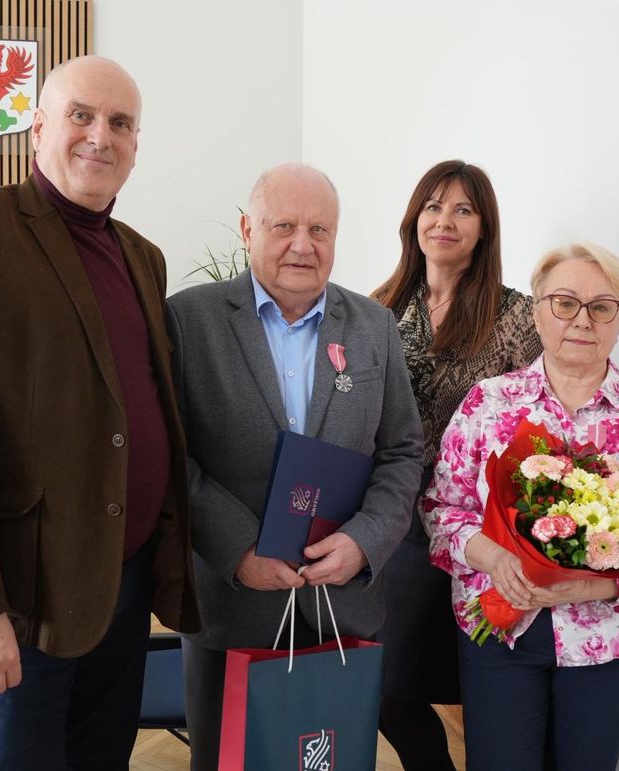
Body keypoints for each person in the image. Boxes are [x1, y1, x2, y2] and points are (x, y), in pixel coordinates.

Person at [0, 55, 198, 769]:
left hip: (121, 587)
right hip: (19, 605)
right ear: (37, 130)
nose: (101, 136)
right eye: (81, 115)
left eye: (120, 123)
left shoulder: (142, 257)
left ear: (136, 145)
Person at [166, 162, 425, 769]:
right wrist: (237, 551)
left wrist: (362, 543)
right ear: (246, 229)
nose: (303, 244)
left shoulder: (374, 326)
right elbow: (172, 458)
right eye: (284, 225)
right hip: (233, 608)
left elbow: (401, 452)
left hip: (344, 606)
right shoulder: (188, 318)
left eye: (321, 229)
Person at [422, 243, 619, 771]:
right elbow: (442, 509)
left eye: (602, 306)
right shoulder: (487, 404)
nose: (583, 319)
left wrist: (596, 585)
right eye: (564, 301)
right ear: (536, 311)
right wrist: (494, 559)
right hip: (501, 627)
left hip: (614, 640)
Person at [371, 159, 541, 769]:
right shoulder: (379, 309)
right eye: (433, 206)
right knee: (389, 686)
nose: (445, 220)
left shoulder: (518, 316)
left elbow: (540, 423)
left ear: (484, 229)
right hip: (396, 516)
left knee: (485, 683)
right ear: (414, 219)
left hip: (484, 517)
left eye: (463, 209)